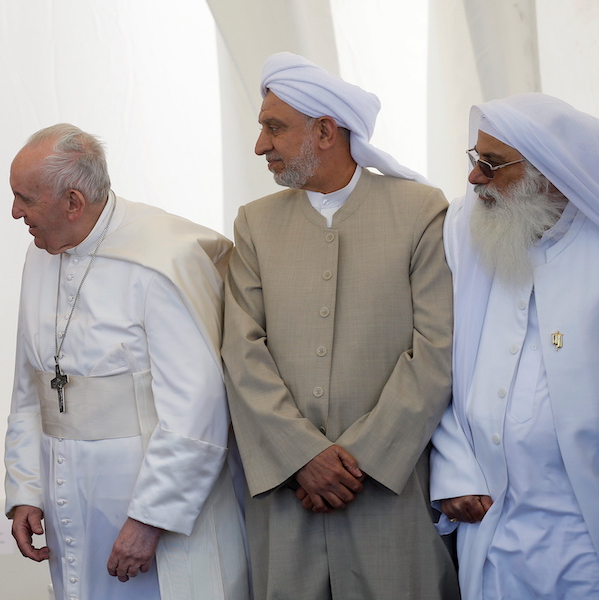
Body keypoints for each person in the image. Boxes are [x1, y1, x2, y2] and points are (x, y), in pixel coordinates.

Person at [222, 52, 460, 599]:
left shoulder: (420, 210)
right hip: (287, 493)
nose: (261, 145)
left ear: (325, 131)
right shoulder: (255, 223)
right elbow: (241, 352)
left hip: (388, 490)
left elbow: (436, 352)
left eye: (274, 128)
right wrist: (303, 456)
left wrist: (360, 462)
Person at [4, 123, 249, 600]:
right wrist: (25, 491)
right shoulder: (39, 256)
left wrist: (149, 520)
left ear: (73, 202)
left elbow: (196, 409)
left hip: (152, 512)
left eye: (25, 199)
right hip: (69, 504)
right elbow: (29, 387)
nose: (16, 213)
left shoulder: (162, 259)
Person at [430, 92, 599, 599]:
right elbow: (440, 363)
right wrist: (452, 466)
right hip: (493, 528)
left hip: (580, 537)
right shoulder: (469, 233)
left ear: (548, 173)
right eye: (474, 159)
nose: (474, 178)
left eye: (492, 165)